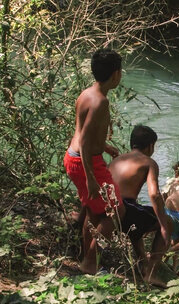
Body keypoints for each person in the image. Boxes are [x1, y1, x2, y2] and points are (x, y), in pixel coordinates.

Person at [63, 48, 124, 275]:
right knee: (116, 211)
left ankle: (85, 259)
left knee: (93, 211)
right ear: (116, 74)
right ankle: (91, 262)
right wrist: (90, 177)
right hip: (86, 162)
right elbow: (86, 140)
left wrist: (104, 146)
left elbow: (81, 132)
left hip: (74, 157)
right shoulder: (100, 102)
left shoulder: (87, 93)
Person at [108, 125, 170, 287]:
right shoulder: (148, 162)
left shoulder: (117, 160)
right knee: (167, 222)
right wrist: (163, 224)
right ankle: (150, 274)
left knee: (139, 215)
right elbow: (154, 194)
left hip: (108, 209)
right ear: (150, 145)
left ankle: (142, 261)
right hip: (125, 208)